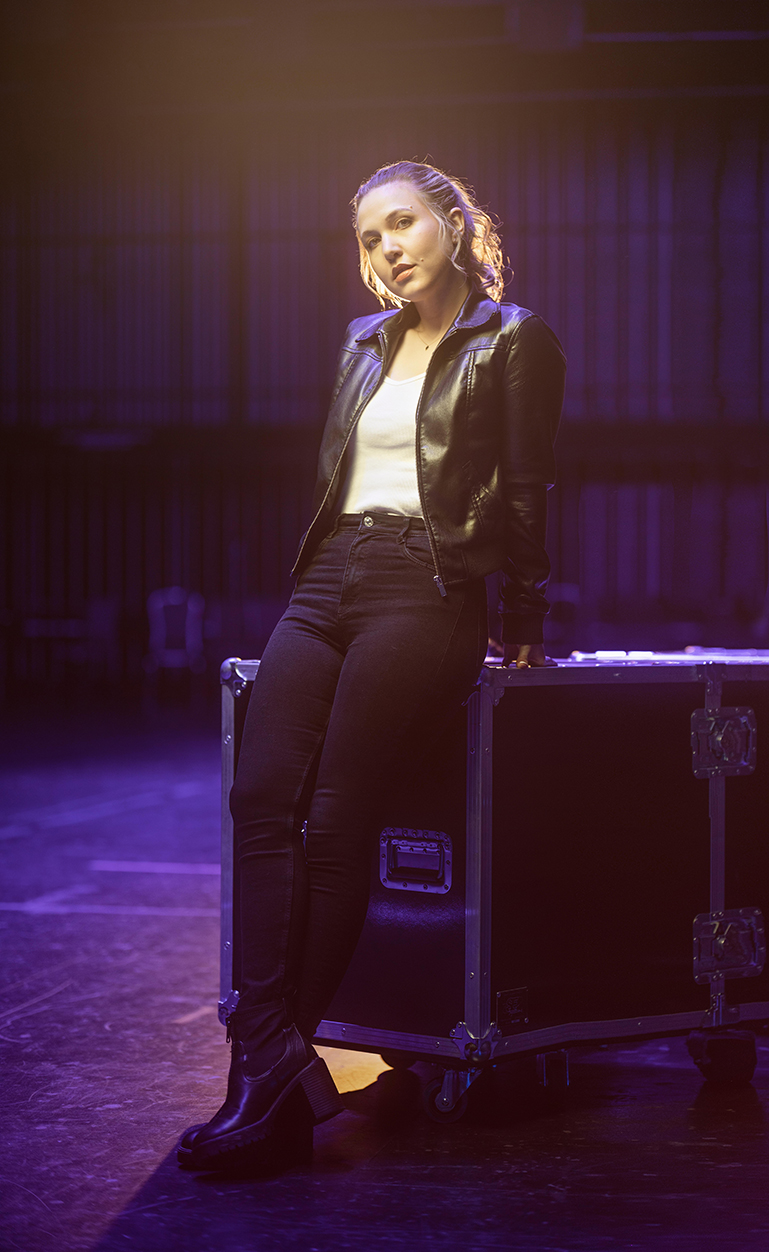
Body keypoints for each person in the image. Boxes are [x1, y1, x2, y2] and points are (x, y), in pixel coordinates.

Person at [178, 160, 566, 1171]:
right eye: (366, 237)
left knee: (339, 813)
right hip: (328, 579)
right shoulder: (361, 343)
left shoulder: (515, 338)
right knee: (259, 797)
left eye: (402, 224)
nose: (385, 247)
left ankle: (265, 1089)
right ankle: (268, 1055)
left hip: (426, 588)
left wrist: (521, 609)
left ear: (451, 222)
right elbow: (338, 475)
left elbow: (526, 485)